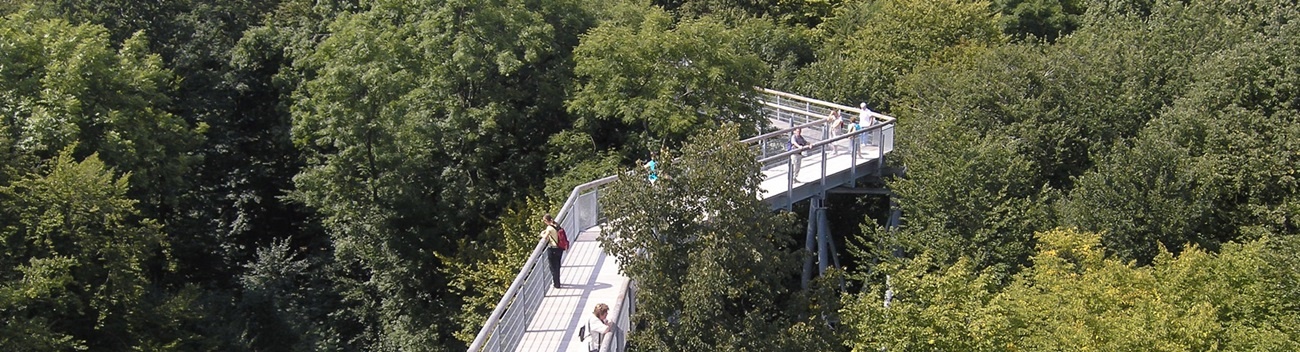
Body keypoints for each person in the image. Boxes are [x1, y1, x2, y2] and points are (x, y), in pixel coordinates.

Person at [540, 214, 563, 288]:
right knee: (557, 266)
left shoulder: (549, 228)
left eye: (545, 221)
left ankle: (556, 284)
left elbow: (545, 236)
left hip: (553, 249)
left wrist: (541, 234)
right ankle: (557, 282)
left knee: (552, 267)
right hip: (559, 248)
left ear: (547, 221)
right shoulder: (557, 225)